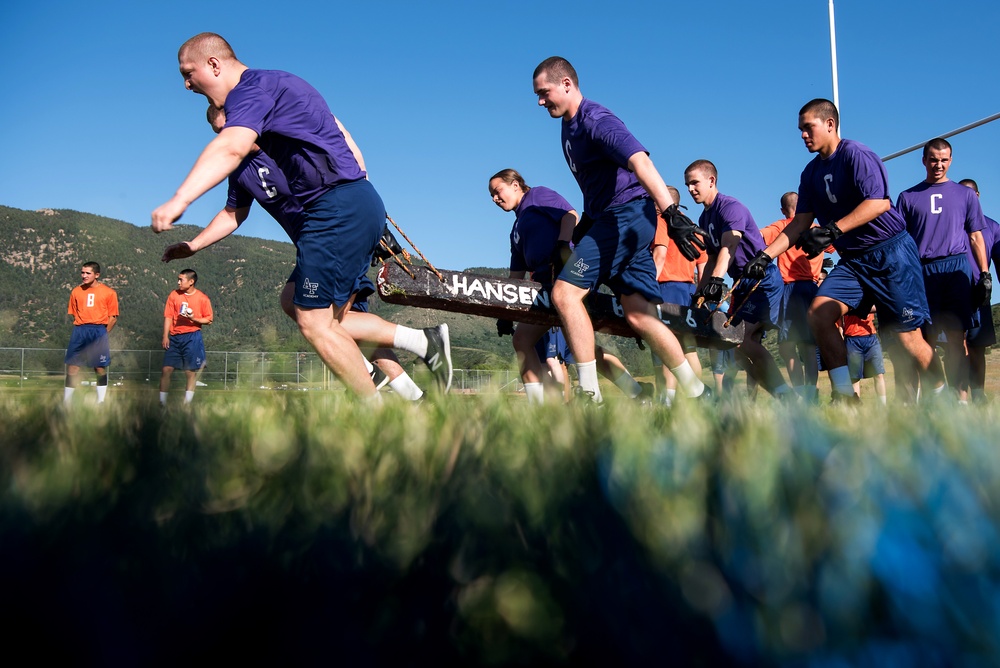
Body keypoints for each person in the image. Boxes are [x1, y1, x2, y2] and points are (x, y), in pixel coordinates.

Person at [152, 33, 450, 400]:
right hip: (334, 217)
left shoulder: (253, 89)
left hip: (337, 212)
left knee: (317, 320)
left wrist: (179, 199)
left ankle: (392, 390)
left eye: (188, 72)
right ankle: (409, 389)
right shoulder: (275, 92)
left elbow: (235, 145)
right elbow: (234, 211)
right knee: (304, 307)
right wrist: (193, 245)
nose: (186, 84)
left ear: (214, 64)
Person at [742, 98, 945, 401]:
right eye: (800, 130)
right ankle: (844, 397)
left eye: (808, 127)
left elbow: (879, 203)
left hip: (891, 254)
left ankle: (947, 399)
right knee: (819, 314)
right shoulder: (810, 173)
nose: (802, 135)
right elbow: (799, 223)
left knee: (907, 339)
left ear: (830, 124)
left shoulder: (857, 155)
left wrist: (833, 230)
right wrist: (765, 256)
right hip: (855, 262)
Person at [532, 56, 707, 403]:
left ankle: (589, 396)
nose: (540, 101)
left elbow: (640, 160)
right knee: (639, 314)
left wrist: (671, 212)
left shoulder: (596, 120)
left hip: (626, 215)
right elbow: (598, 185)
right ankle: (700, 394)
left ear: (566, 84)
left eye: (544, 92)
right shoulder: (567, 127)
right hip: (615, 219)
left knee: (565, 295)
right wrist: (585, 228)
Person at [488, 168, 647, 403]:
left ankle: (632, 393)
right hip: (542, 288)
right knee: (523, 340)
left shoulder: (538, 196)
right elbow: (516, 274)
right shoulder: (515, 231)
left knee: (581, 348)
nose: (495, 198)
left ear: (515, 185)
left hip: (566, 276)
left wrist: (563, 245)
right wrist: (506, 312)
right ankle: (537, 407)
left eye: (497, 190)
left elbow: (569, 214)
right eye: (491, 195)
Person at [685, 159, 792, 399]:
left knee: (743, 341)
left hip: (761, 278)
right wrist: (700, 293)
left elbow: (730, 246)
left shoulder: (730, 208)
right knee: (739, 348)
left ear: (711, 181)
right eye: (687, 185)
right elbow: (712, 258)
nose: (690, 189)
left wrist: (716, 280)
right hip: (739, 282)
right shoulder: (704, 219)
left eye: (694, 183)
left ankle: (785, 396)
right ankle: (776, 396)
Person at [896, 138, 990, 399]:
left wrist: (984, 273)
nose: (938, 164)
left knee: (957, 339)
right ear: (924, 160)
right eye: (934, 159)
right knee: (924, 339)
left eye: (944, 159)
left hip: (955, 269)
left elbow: (975, 236)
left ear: (951, 161)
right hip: (922, 271)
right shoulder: (907, 197)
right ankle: (932, 397)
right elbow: (900, 241)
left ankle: (960, 399)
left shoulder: (966, 195)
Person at [760, 191, 825, 402]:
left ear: (782, 209)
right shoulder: (816, 227)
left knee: (787, 344)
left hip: (790, 289)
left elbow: (758, 236)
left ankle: (799, 393)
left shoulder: (782, 226)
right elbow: (836, 245)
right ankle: (810, 392)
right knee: (809, 345)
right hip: (813, 289)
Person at [651, 185, 705, 406]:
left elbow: (659, 255)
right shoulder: (691, 226)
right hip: (687, 289)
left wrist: (647, 287)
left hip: (666, 286)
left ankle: (668, 400)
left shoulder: (663, 221)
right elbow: (703, 265)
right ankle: (698, 397)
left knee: (665, 343)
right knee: (688, 347)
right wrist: (700, 296)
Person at [960, 178, 1000, 401]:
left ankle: (978, 395)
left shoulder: (992, 227)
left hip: (980, 293)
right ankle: (959, 396)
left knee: (977, 348)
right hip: (953, 294)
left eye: (969, 194)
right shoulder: (951, 224)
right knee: (955, 346)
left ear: (977, 196)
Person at [64, 262, 119, 405]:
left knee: (99, 366)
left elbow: (113, 317)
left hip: (98, 330)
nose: (84, 276)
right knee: (73, 365)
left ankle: (101, 401)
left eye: (88, 273)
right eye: (82, 272)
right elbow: (74, 313)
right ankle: (67, 401)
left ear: (97, 275)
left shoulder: (109, 292)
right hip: (80, 330)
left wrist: (102, 333)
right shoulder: (76, 291)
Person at [160, 269, 213, 405]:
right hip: (175, 337)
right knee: (166, 369)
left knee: (189, 372)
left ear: (191, 282)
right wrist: (165, 336)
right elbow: (168, 316)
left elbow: (208, 320)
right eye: (178, 279)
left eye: (181, 280)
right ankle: (162, 402)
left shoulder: (202, 298)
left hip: (192, 337)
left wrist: (194, 318)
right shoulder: (174, 295)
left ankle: (187, 404)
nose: (178, 282)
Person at [842, 309, 886, 405]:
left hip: (871, 337)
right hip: (851, 338)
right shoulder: (846, 295)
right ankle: (855, 407)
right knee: (854, 378)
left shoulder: (869, 294)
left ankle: (883, 408)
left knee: (879, 373)